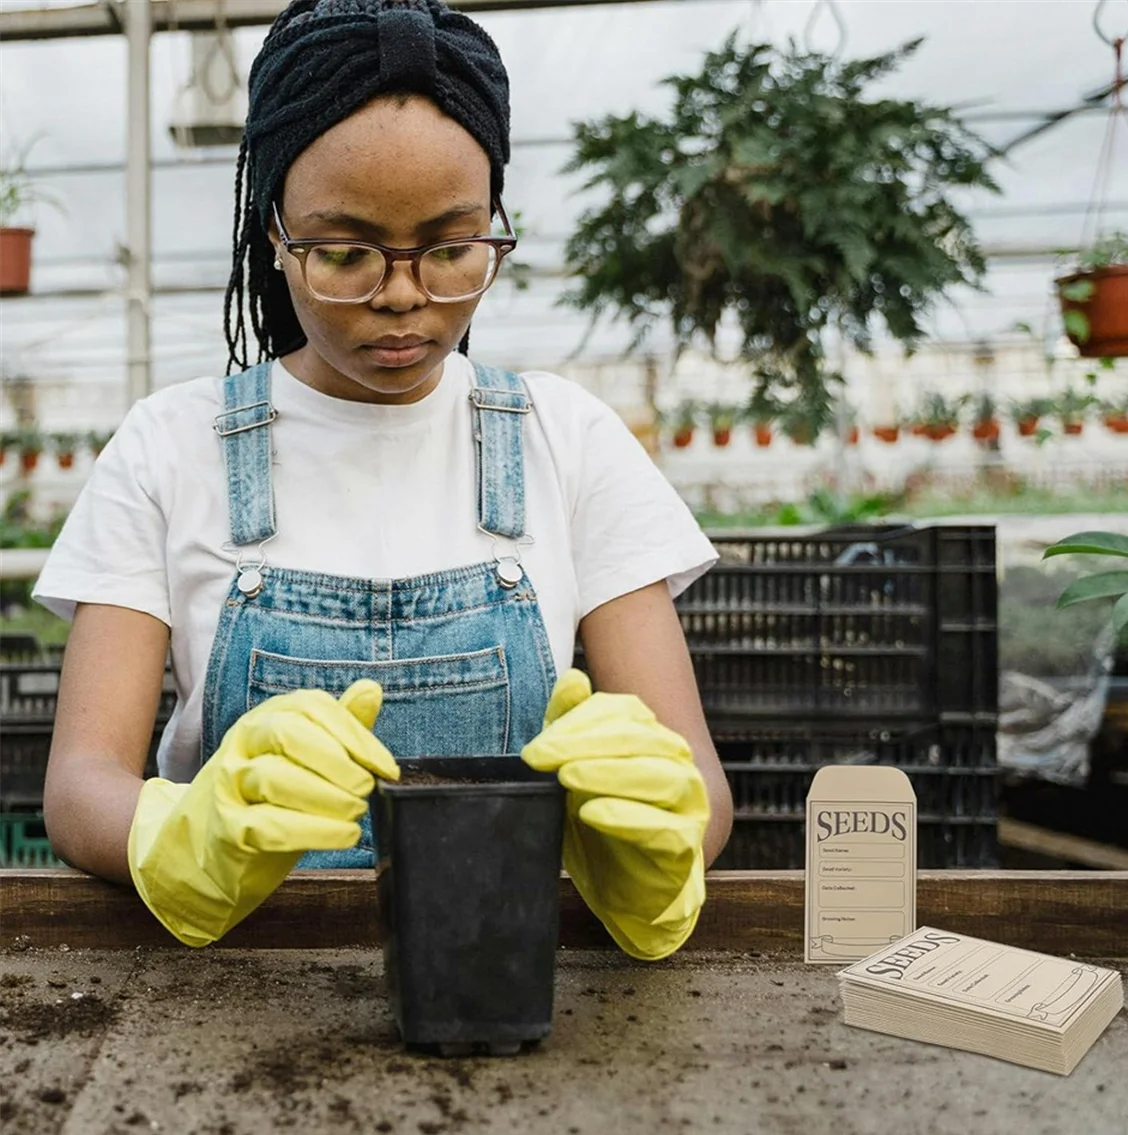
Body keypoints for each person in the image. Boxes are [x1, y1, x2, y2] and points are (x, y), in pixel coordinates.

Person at [35, 0, 732, 960]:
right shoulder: (171, 446)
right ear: (273, 235)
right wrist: (177, 833)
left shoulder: (568, 440)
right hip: (246, 990)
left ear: (495, 225)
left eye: (451, 249)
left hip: (510, 974)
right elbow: (79, 783)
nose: (402, 293)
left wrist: (652, 838)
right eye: (345, 252)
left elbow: (697, 782)